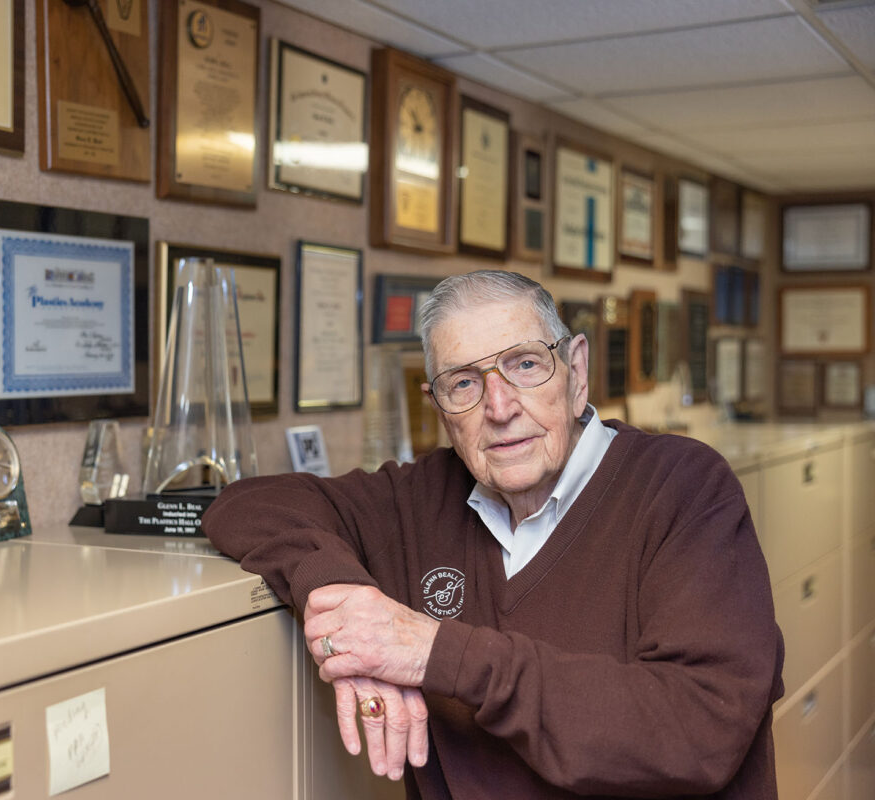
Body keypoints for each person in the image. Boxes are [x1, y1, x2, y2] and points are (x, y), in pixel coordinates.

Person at [202, 270, 783, 799]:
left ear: (576, 373)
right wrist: (345, 600)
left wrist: (434, 651)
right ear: (438, 407)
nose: (500, 407)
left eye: (525, 365)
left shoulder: (684, 487)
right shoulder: (419, 498)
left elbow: (699, 729)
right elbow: (247, 502)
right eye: (464, 383)